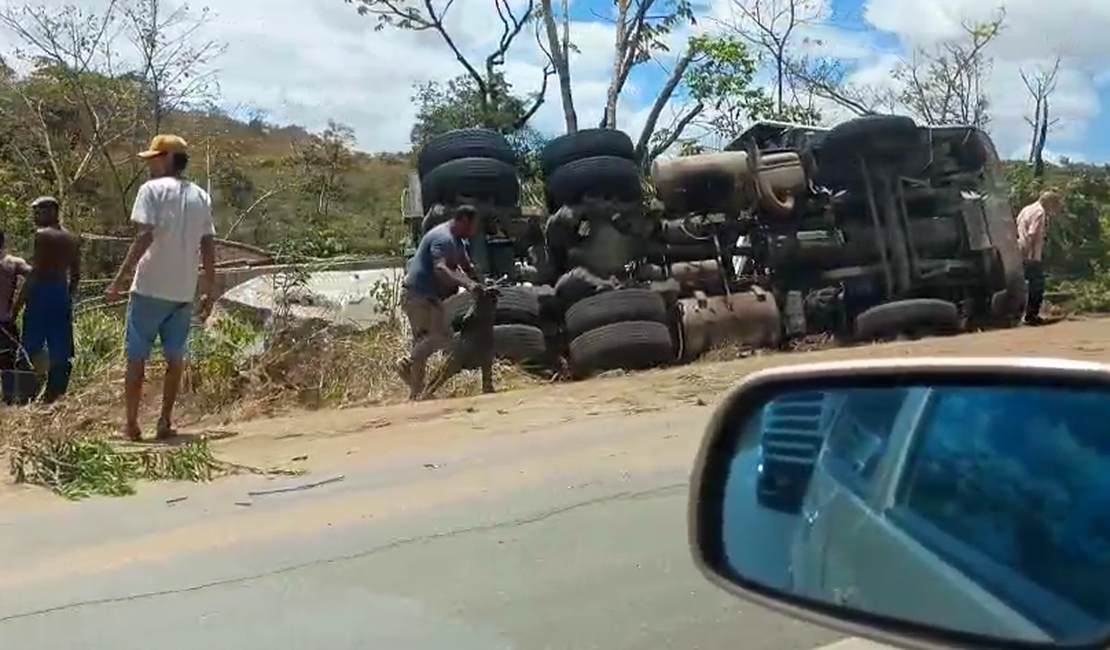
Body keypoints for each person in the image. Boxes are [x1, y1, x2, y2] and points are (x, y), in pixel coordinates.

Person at [105, 135, 216, 441]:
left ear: (167, 158)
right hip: (182, 292)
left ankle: (131, 424)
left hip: (149, 289)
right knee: (174, 359)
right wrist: (208, 288)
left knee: (136, 357)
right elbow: (208, 245)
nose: (150, 165)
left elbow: (144, 237)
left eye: (154, 158)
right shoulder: (201, 196)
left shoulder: (150, 190)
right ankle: (165, 421)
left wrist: (118, 281)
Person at [394, 204, 482, 400]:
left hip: (429, 297)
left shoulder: (458, 242)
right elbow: (440, 268)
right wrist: (468, 284)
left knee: (425, 341)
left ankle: (416, 392)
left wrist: (481, 284)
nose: (474, 231)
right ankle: (407, 363)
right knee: (441, 337)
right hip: (417, 296)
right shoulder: (443, 238)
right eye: (472, 226)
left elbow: (466, 266)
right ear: (463, 221)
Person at [20, 196, 80, 403]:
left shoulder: (42, 235)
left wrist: (18, 304)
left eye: (40, 211)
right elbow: (76, 274)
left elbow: (35, 273)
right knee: (60, 344)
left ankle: (30, 390)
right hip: (61, 291)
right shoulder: (71, 238)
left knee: (30, 343)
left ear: (53, 212)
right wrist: (68, 297)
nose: (35, 216)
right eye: (35, 212)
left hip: (42, 291)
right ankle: (55, 393)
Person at [1015, 190, 1062, 325]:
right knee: (1037, 285)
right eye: (1055, 204)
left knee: (1024, 284)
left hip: (1019, 249)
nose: (1055, 208)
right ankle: (1031, 315)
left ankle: (1022, 314)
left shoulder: (1026, 209)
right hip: (1031, 254)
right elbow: (1032, 233)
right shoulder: (1040, 213)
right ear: (1049, 202)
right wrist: (1028, 252)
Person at [0, 230, 31, 405]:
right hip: (6, 320)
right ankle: (9, 401)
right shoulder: (12, 263)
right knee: (8, 364)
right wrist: (18, 305)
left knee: (7, 363)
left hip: (5, 322)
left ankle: (8, 402)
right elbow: (34, 275)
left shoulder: (12, 263)